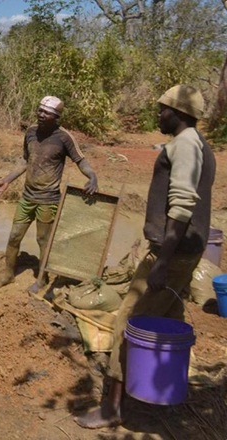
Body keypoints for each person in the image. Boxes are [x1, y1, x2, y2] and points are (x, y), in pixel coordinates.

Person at [75, 85, 215, 429]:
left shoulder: (185, 145)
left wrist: (162, 262)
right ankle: (165, 390)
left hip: (172, 254)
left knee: (128, 320)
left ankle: (112, 407)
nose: (158, 115)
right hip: (184, 251)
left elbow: (181, 207)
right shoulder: (197, 144)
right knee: (170, 316)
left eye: (162, 109)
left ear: (178, 113)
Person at [0, 96, 98, 293]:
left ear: (56, 117)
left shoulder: (64, 137)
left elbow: (81, 160)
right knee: (14, 236)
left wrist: (92, 176)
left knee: (43, 240)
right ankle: (8, 274)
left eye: (46, 113)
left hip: (48, 200)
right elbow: (25, 160)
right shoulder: (31, 132)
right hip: (27, 197)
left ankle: (42, 279)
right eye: (39, 110)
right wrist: (7, 180)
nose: (40, 114)